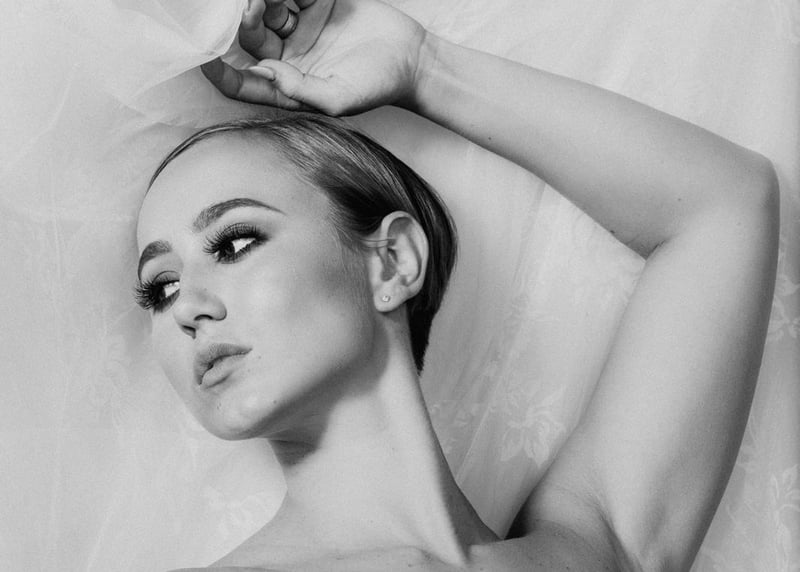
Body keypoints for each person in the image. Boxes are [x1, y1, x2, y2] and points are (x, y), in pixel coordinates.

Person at [135, 0, 780, 569]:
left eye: (234, 243)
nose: (186, 307)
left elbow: (726, 201)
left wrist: (424, 66)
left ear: (392, 261)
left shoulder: (596, 552)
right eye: (160, 288)